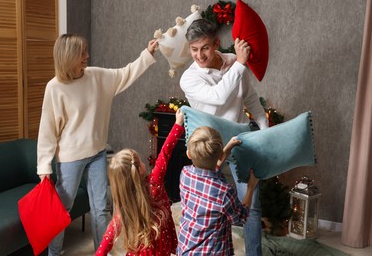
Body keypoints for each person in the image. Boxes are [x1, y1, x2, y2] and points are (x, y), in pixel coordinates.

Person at [37, 34, 158, 256]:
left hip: (97, 153)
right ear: (68, 56)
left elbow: (126, 73)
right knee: (61, 209)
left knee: (101, 208)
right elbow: (48, 129)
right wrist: (44, 166)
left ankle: (102, 252)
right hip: (70, 158)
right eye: (81, 53)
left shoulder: (98, 77)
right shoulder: (54, 87)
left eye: (85, 51)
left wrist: (147, 54)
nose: (87, 56)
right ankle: (54, 253)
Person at [179, 19, 269, 256]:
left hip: (240, 139)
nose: (199, 55)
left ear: (216, 43)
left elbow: (250, 98)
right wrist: (240, 64)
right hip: (208, 147)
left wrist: (264, 128)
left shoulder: (233, 61)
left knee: (252, 202)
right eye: (194, 49)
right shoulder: (188, 78)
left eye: (205, 48)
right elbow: (218, 97)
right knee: (205, 208)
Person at [95, 109, 184, 255]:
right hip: (161, 245)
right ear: (139, 170)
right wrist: (178, 123)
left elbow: (108, 237)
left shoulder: (124, 204)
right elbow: (165, 152)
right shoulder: (154, 182)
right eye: (141, 162)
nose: (144, 163)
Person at [178, 126, 259, 255]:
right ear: (220, 154)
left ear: (188, 154)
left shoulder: (185, 174)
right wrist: (250, 187)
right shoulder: (224, 192)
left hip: (186, 248)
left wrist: (227, 148)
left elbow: (207, 173)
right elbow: (241, 218)